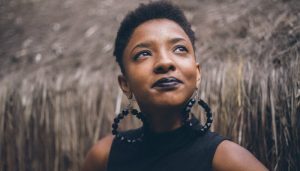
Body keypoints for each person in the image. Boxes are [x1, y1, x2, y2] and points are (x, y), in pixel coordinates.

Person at [83, 1, 268, 171]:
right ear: (125, 84)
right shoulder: (104, 157)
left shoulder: (227, 160)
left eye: (180, 49)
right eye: (144, 53)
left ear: (197, 74)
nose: (164, 62)